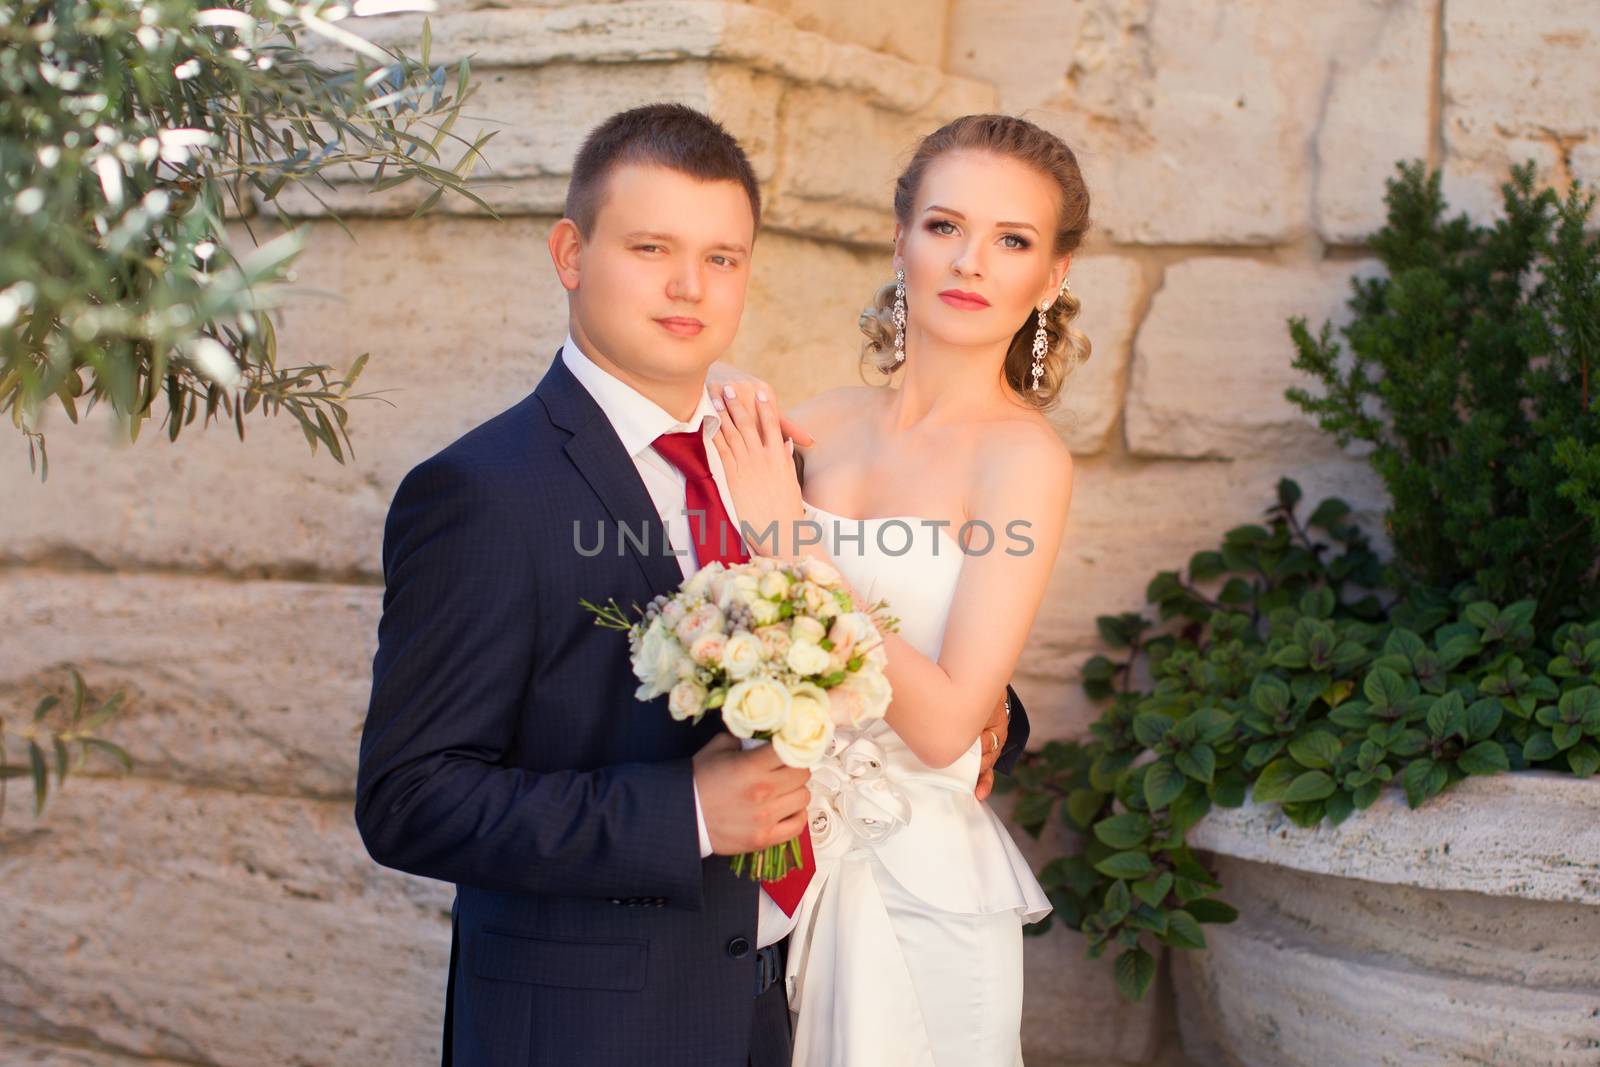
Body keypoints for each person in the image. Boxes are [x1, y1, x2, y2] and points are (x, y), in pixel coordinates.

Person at [353, 103, 1033, 1067]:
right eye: (650, 247)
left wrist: (985, 705)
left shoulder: (767, 449)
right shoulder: (482, 492)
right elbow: (410, 797)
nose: (689, 287)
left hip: (785, 1008)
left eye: (723, 257)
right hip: (593, 1029)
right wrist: (691, 814)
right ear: (569, 252)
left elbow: (857, 611)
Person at [708, 113, 1087, 1065]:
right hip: (774, 870)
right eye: (945, 226)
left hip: (919, 895)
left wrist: (793, 541)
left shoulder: (1023, 461)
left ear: (1052, 277)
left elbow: (947, 724)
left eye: (1012, 241)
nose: (971, 262)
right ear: (901, 237)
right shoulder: (820, 423)